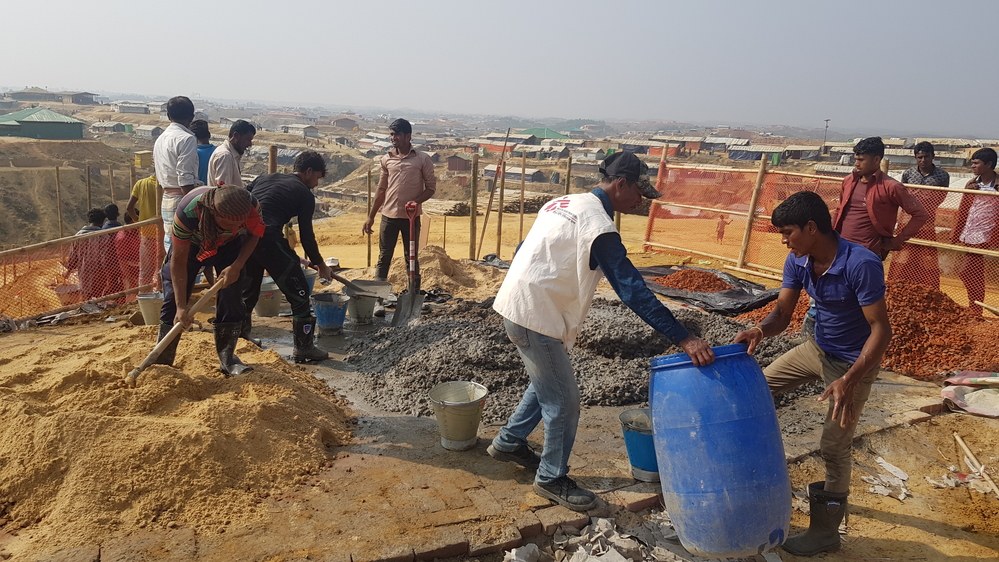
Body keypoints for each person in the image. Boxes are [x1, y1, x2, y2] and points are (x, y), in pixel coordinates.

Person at [488, 152, 715, 512]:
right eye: (639, 191)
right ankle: (551, 478)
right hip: (535, 315)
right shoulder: (599, 225)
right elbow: (631, 289)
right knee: (564, 401)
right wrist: (683, 336)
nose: (642, 200)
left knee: (548, 382)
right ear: (620, 184)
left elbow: (522, 249)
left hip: (519, 306)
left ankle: (508, 442)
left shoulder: (562, 203)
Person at [733, 191, 891, 556]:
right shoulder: (799, 261)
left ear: (812, 227)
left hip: (854, 363)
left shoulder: (860, 263)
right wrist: (761, 329)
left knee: (833, 447)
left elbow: (882, 330)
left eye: (787, 232)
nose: (784, 241)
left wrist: (849, 381)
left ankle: (825, 534)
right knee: (755, 389)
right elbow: (783, 313)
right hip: (816, 350)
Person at [156, 184, 264, 376]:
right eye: (230, 224)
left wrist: (237, 265)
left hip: (229, 246)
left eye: (239, 224)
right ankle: (162, 360)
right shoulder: (187, 212)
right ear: (214, 213)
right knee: (174, 299)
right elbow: (178, 262)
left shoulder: (251, 206)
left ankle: (228, 359)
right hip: (192, 247)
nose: (236, 227)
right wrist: (182, 306)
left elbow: (254, 235)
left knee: (232, 296)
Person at [242, 151, 335, 362]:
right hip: (268, 239)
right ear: (308, 171)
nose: (317, 183)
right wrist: (321, 265)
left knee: (247, 291)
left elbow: (242, 199)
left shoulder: (264, 178)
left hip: (245, 237)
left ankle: (241, 338)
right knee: (300, 293)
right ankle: (304, 348)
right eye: (318, 177)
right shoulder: (304, 193)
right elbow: (307, 237)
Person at [362, 118, 436, 284]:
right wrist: (371, 216)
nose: (392, 138)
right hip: (388, 217)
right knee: (384, 256)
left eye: (396, 134)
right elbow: (381, 190)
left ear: (408, 136)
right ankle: (379, 297)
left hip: (410, 218)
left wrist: (416, 202)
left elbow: (431, 188)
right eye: (391, 134)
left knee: (411, 257)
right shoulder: (386, 159)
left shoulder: (422, 159)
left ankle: (413, 293)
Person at [832, 137, 928, 260]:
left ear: (876, 160)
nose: (856, 164)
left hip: (867, 255)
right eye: (856, 159)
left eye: (861, 160)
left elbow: (920, 215)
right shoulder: (848, 181)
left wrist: (896, 241)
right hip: (841, 250)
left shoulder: (891, 187)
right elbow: (839, 210)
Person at [886, 142, 951, 289]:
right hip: (906, 220)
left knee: (926, 254)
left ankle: (928, 287)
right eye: (919, 157)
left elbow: (941, 197)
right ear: (915, 158)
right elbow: (904, 196)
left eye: (926, 157)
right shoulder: (908, 174)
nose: (923, 160)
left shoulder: (942, 175)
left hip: (927, 222)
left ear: (933, 157)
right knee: (903, 252)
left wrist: (923, 205)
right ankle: (896, 285)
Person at [952, 148, 999, 316]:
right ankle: (975, 307)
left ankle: (975, 308)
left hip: (986, 235)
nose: (972, 166)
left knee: (968, 271)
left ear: (989, 164)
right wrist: (956, 233)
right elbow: (963, 210)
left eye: (976, 163)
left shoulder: (997, 185)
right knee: (971, 273)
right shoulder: (972, 184)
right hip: (969, 233)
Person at [154, 96, 202, 257]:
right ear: (191, 117)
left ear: (168, 116)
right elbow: (185, 178)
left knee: (172, 250)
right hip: (183, 199)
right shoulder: (187, 139)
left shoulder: (161, 139)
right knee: (187, 254)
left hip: (167, 198)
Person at [126, 173, 162, 288]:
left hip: (147, 233)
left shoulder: (140, 183)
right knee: (163, 267)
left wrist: (137, 222)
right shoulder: (165, 184)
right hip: (164, 233)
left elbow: (129, 208)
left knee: (146, 270)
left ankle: (145, 296)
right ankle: (163, 293)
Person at [64, 208, 107, 301]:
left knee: (85, 298)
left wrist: (69, 270)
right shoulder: (103, 236)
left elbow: (73, 257)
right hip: (99, 275)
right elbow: (105, 258)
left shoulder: (78, 235)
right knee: (99, 299)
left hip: (84, 274)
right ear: (102, 222)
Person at [208, 120, 255, 188]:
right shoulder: (225, 156)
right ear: (236, 136)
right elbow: (223, 191)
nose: (249, 144)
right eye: (247, 139)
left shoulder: (231, 155)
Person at [115, 212, 141, 295]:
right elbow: (122, 261)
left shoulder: (137, 231)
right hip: (131, 272)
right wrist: (130, 279)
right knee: (132, 295)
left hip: (140, 269)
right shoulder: (122, 237)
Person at [190, 119, 215, 185]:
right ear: (209, 135)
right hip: (214, 193)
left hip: (196, 193)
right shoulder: (218, 152)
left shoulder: (190, 153)